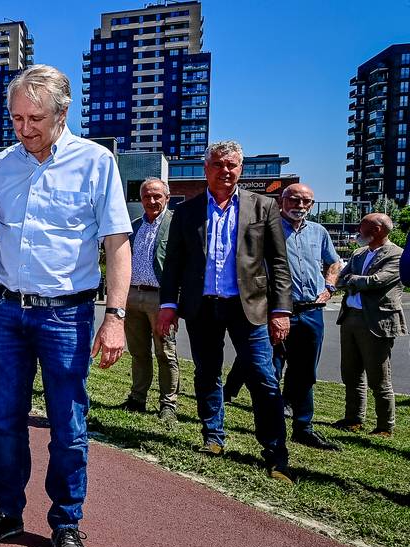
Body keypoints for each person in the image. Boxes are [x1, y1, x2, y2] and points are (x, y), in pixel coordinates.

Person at [0, 65, 132, 547]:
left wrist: (116, 317)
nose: (24, 128)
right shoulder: (0, 166)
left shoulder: (96, 163)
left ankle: (65, 523)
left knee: (69, 425)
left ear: (63, 112)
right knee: (5, 421)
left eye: (34, 118)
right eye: (15, 118)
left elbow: (116, 244)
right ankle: (8, 511)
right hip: (6, 314)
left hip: (67, 315)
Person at [156, 140, 294, 482]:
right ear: (207, 169)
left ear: (241, 169)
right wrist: (168, 306)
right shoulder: (186, 212)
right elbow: (174, 263)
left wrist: (281, 310)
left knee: (263, 377)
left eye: (232, 165)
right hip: (202, 307)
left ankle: (276, 453)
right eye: (218, 164)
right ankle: (213, 437)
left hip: (250, 307)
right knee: (207, 373)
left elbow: (278, 263)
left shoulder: (263, 207)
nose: (226, 171)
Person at [222, 184, 342, 450]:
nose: (300, 205)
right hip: (273, 312)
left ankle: (303, 427)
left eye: (306, 201)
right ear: (281, 200)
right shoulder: (267, 230)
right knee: (269, 371)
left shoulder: (319, 232)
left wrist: (329, 286)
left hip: (310, 311)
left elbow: (334, 262)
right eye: (295, 199)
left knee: (305, 372)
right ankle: (271, 427)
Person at [332, 213, 405, 437]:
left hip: (377, 321)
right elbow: (340, 279)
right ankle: (353, 419)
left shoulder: (397, 255)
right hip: (351, 317)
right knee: (351, 374)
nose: (358, 231)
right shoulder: (358, 253)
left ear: (377, 231)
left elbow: (377, 281)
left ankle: (385, 426)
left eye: (362, 227)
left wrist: (354, 280)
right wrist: (354, 280)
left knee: (379, 377)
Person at [120, 177, 179, 427]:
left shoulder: (176, 224)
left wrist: (175, 301)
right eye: (147, 196)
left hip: (161, 298)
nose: (151, 201)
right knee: (138, 352)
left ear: (167, 197)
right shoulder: (134, 226)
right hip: (133, 295)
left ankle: (168, 405)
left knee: (165, 352)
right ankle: (137, 398)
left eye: (157, 196)